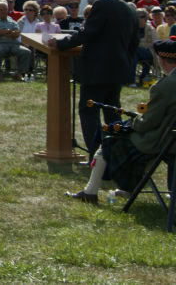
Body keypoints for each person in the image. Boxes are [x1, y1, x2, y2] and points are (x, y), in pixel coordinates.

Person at [66, 39, 176, 204]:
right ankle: (128, 188)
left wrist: (132, 123)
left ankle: (90, 192)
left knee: (109, 138)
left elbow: (147, 122)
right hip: (170, 140)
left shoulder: (165, 85)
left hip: (160, 142)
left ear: (161, 59)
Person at [49, 0, 138, 160]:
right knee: (113, 114)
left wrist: (62, 43)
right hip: (117, 70)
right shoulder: (128, 8)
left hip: (97, 71)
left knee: (89, 112)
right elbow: (133, 43)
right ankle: (116, 156)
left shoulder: (102, 5)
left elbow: (87, 33)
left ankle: (96, 158)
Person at [0, 0, 32, 81]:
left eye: (5, 9)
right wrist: (8, 31)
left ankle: (19, 73)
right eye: (1, 10)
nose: (4, 11)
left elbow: (17, 33)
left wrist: (2, 32)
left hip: (14, 44)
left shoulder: (13, 22)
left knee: (26, 52)